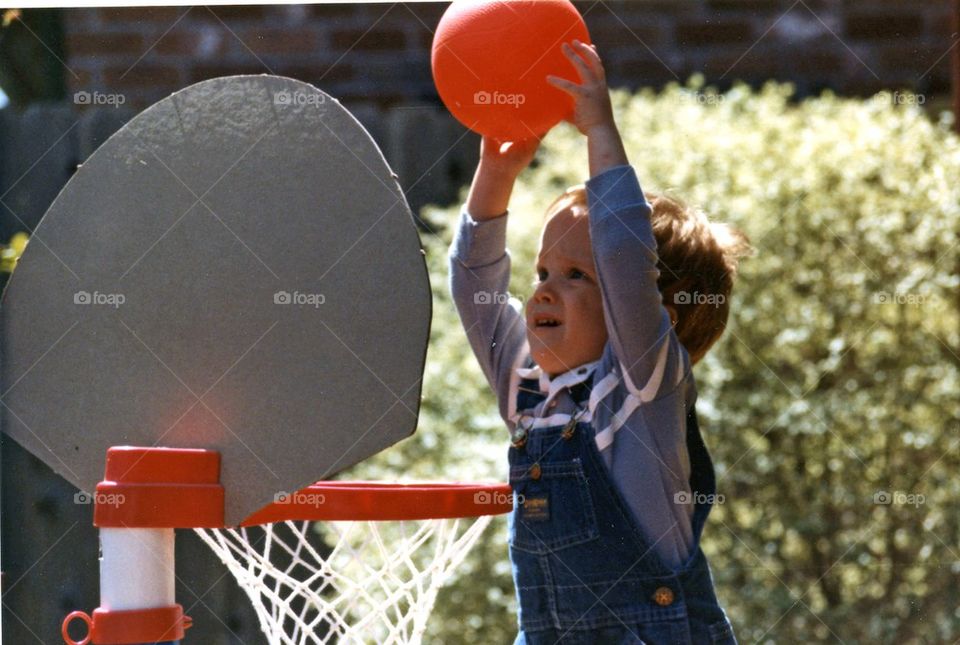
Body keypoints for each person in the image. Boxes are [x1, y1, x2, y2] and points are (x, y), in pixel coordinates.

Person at [449, 40, 752, 644]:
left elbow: (622, 257)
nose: (543, 292)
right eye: (542, 274)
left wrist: (598, 130)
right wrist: (497, 174)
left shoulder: (643, 387)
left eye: (575, 276)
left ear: (650, 310)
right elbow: (473, 283)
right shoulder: (528, 386)